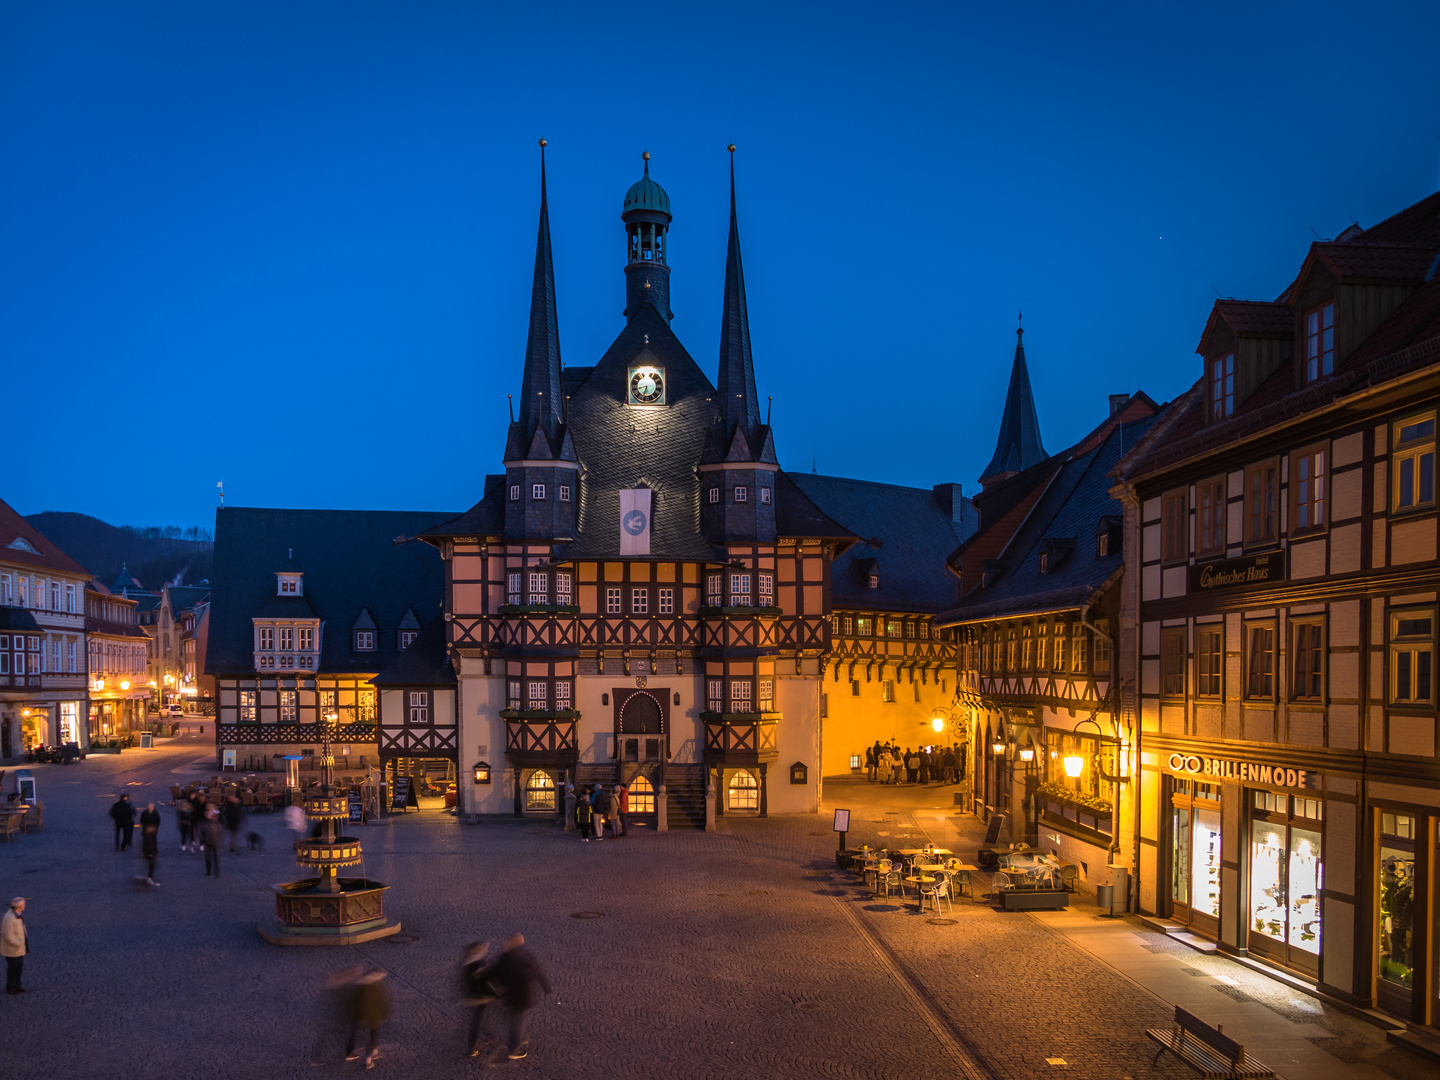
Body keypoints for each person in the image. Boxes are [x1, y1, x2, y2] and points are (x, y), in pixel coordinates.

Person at [489, 934, 551, 1061]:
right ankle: (514, 1049)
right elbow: (537, 970)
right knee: (519, 1022)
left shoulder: (505, 958)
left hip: (511, 996)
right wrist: (545, 987)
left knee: (516, 1020)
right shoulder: (522, 956)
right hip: (522, 997)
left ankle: (516, 1041)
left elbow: (495, 974)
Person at [345, 967, 391, 1068]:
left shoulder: (360, 983)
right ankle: (369, 1060)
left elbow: (352, 999)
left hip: (358, 1013)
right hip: (371, 1014)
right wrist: (384, 1011)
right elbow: (379, 1000)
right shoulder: (373, 986)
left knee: (354, 1031)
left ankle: (349, 1053)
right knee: (372, 1035)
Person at [458, 941, 499, 1056]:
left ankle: (487, 1035)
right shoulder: (480, 964)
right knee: (476, 1022)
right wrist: (495, 993)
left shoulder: (466, 963)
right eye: (482, 948)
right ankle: (472, 1047)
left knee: (480, 1018)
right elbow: (488, 981)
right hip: (481, 997)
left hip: (472, 996)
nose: (484, 950)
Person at [1, 897, 25, 995]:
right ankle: (10, 987)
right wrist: (19, 943)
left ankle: (16, 985)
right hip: (12, 949)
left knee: (18, 968)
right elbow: (8, 935)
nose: (24, 906)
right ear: (20, 906)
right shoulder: (10, 918)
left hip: (18, 949)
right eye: (23, 905)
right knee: (13, 969)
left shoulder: (17, 915)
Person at [139, 802, 162, 885]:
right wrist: (150, 852)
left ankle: (149, 876)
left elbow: (158, 821)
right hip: (150, 851)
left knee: (151, 863)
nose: (151, 807)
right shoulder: (145, 814)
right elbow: (142, 820)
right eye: (150, 806)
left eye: (152, 806)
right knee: (151, 863)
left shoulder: (155, 813)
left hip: (150, 840)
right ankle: (149, 877)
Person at [201, 807, 224, 877]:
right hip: (207, 842)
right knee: (208, 858)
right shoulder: (204, 823)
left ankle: (216, 871)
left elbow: (220, 833)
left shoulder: (218, 824)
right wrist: (202, 842)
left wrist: (220, 840)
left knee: (216, 857)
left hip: (215, 842)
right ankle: (209, 871)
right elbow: (202, 833)